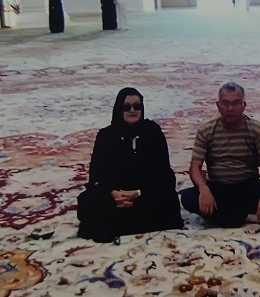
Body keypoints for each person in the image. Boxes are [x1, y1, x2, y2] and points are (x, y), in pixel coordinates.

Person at [77, 87, 184, 243]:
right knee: (87, 201)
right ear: (119, 109)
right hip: (115, 197)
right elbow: (96, 176)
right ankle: (132, 224)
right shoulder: (106, 136)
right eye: (127, 107)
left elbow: (165, 175)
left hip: (144, 195)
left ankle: (110, 226)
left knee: (169, 199)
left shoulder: (153, 132)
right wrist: (113, 193)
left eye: (137, 106)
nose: (132, 110)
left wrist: (139, 193)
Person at [180, 82, 260, 228]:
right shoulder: (206, 130)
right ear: (218, 106)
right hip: (218, 188)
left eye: (236, 103)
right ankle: (241, 216)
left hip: (247, 187)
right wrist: (204, 190)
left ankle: (224, 217)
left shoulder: (255, 129)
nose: (230, 108)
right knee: (187, 198)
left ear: (243, 105)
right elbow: (195, 166)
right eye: (225, 103)